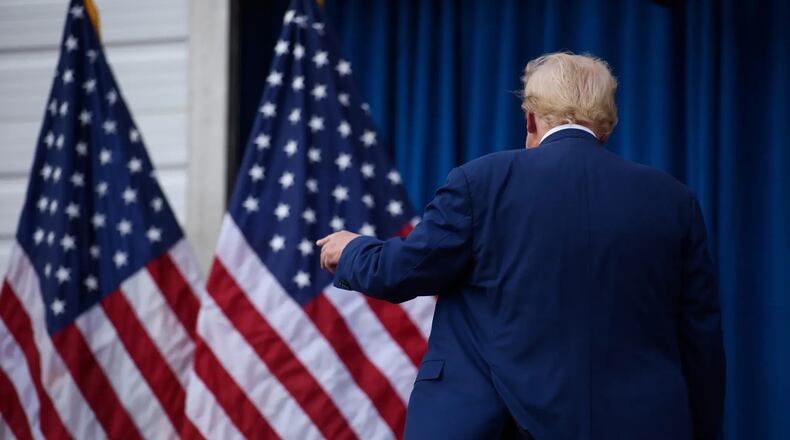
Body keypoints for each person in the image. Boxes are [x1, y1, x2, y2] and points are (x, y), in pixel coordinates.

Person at [317, 52, 725, 440]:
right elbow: (700, 339)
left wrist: (352, 251)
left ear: (530, 119)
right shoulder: (672, 200)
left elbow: (404, 270)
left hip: (497, 426)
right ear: (607, 126)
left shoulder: (481, 182)